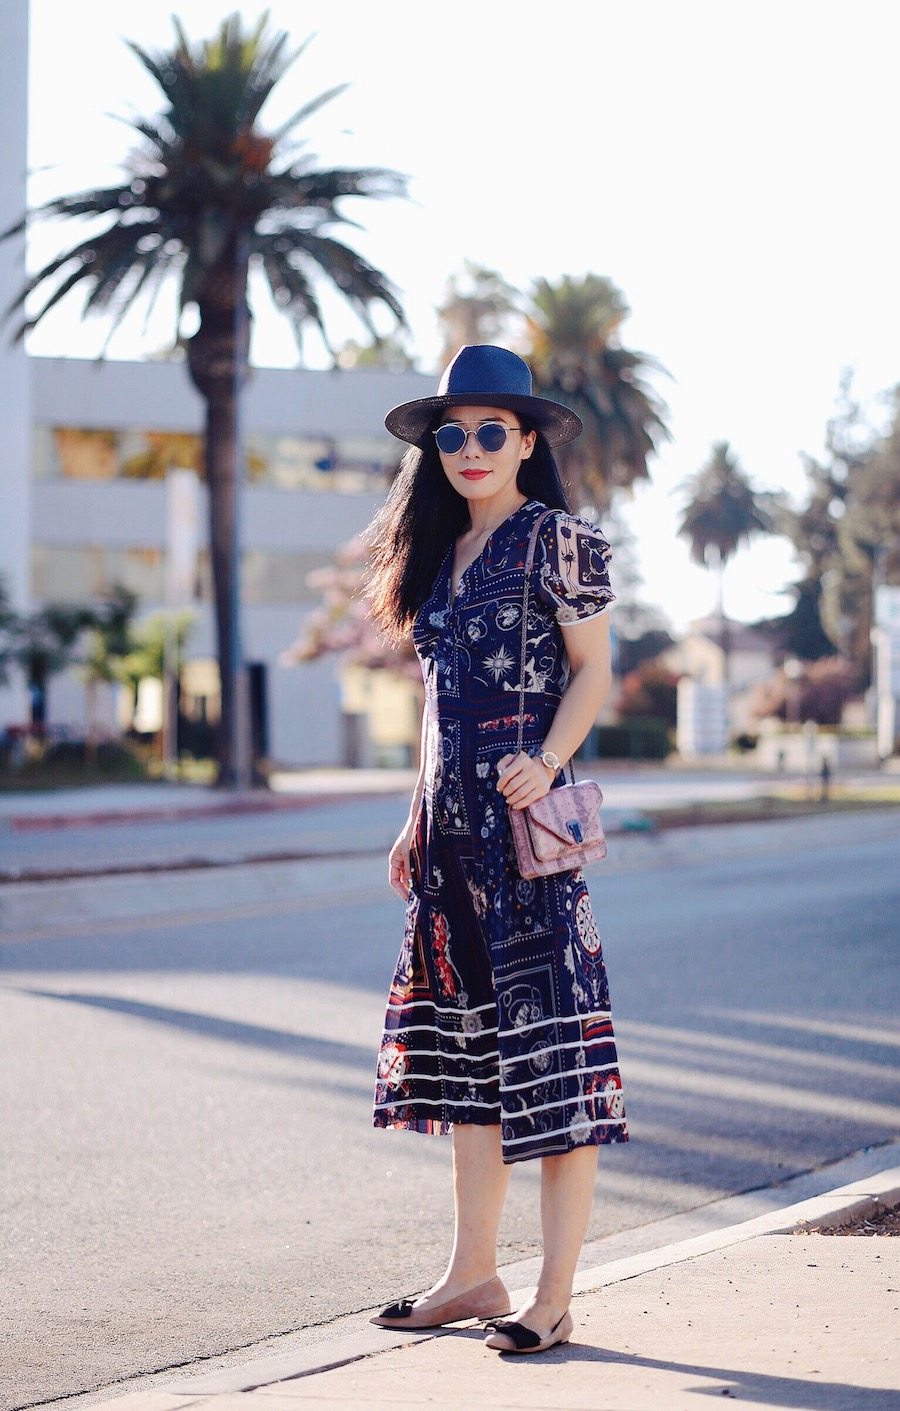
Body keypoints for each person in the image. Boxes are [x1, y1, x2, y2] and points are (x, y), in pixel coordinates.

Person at [365, 345, 628, 1356]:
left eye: (488, 432)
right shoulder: (437, 556)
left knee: (554, 1058)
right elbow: (436, 706)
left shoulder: (560, 541)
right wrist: (412, 811)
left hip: (526, 839)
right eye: (450, 434)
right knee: (470, 1065)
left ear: (525, 440)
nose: (467, 449)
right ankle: (473, 1273)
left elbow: (596, 670)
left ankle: (554, 1297)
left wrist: (547, 760)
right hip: (447, 843)